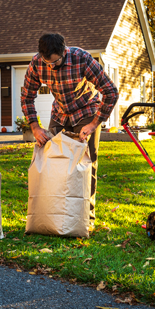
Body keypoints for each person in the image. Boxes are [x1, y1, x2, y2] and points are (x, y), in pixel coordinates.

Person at [21, 33, 118, 225]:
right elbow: (27, 96)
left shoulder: (81, 59)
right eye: (47, 63)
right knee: (51, 160)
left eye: (55, 63)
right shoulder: (37, 63)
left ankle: (85, 218)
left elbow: (110, 91)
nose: (51, 68)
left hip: (86, 111)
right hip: (60, 113)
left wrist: (93, 124)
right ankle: (54, 214)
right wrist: (35, 127)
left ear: (64, 52)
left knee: (86, 164)